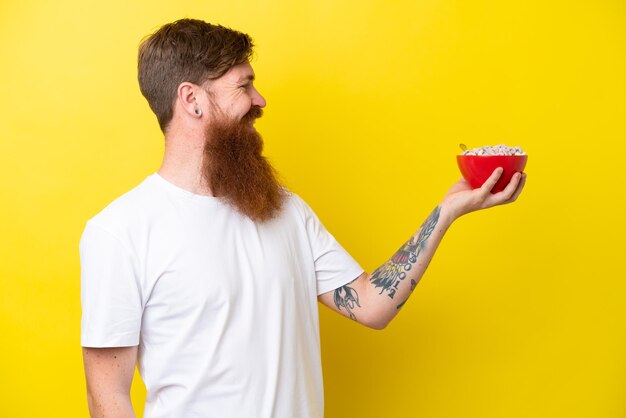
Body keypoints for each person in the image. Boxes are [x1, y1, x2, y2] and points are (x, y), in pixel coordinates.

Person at [80, 18, 526, 418]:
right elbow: (108, 398)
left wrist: (445, 213)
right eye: (243, 86)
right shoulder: (120, 232)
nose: (261, 99)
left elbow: (372, 305)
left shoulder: (285, 210)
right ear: (192, 100)